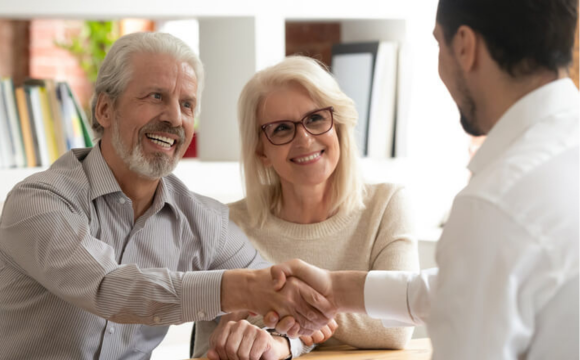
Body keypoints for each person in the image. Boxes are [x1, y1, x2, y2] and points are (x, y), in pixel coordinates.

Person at [267, 0, 579, 359]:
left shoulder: (496, 204)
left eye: (437, 44)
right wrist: (338, 290)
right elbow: (476, 286)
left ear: (464, 45)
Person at [0, 32, 336, 359]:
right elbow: (109, 289)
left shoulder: (205, 221)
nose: (175, 118)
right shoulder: (39, 201)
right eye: (156, 97)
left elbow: (280, 298)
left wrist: (276, 339)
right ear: (104, 109)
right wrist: (245, 290)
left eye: (187, 104)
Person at [192, 56, 420, 360]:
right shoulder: (224, 226)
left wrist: (282, 330)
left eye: (315, 119)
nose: (304, 139)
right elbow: (209, 350)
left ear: (338, 125)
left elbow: (396, 325)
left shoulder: (387, 205)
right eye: (282, 129)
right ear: (261, 150)